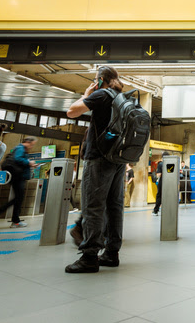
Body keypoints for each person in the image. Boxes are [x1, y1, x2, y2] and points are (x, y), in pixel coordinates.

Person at [65, 66, 127, 273]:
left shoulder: (101, 94)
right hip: (118, 159)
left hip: (99, 158)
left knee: (93, 206)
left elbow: (72, 112)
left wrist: (86, 95)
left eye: (95, 79)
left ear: (100, 79)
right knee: (114, 207)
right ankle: (111, 253)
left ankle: (89, 257)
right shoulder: (122, 97)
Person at [0, 136, 36, 228]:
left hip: (18, 176)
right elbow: (18, 158)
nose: (31, 147)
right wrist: (29, 163)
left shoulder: (20, 148)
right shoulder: (20, 148)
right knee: (18, 198)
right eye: (32, 144)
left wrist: (30, 164)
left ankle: (10, 218)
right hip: (18, 177)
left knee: (18, 198)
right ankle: (13, 220)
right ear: (28, 142)